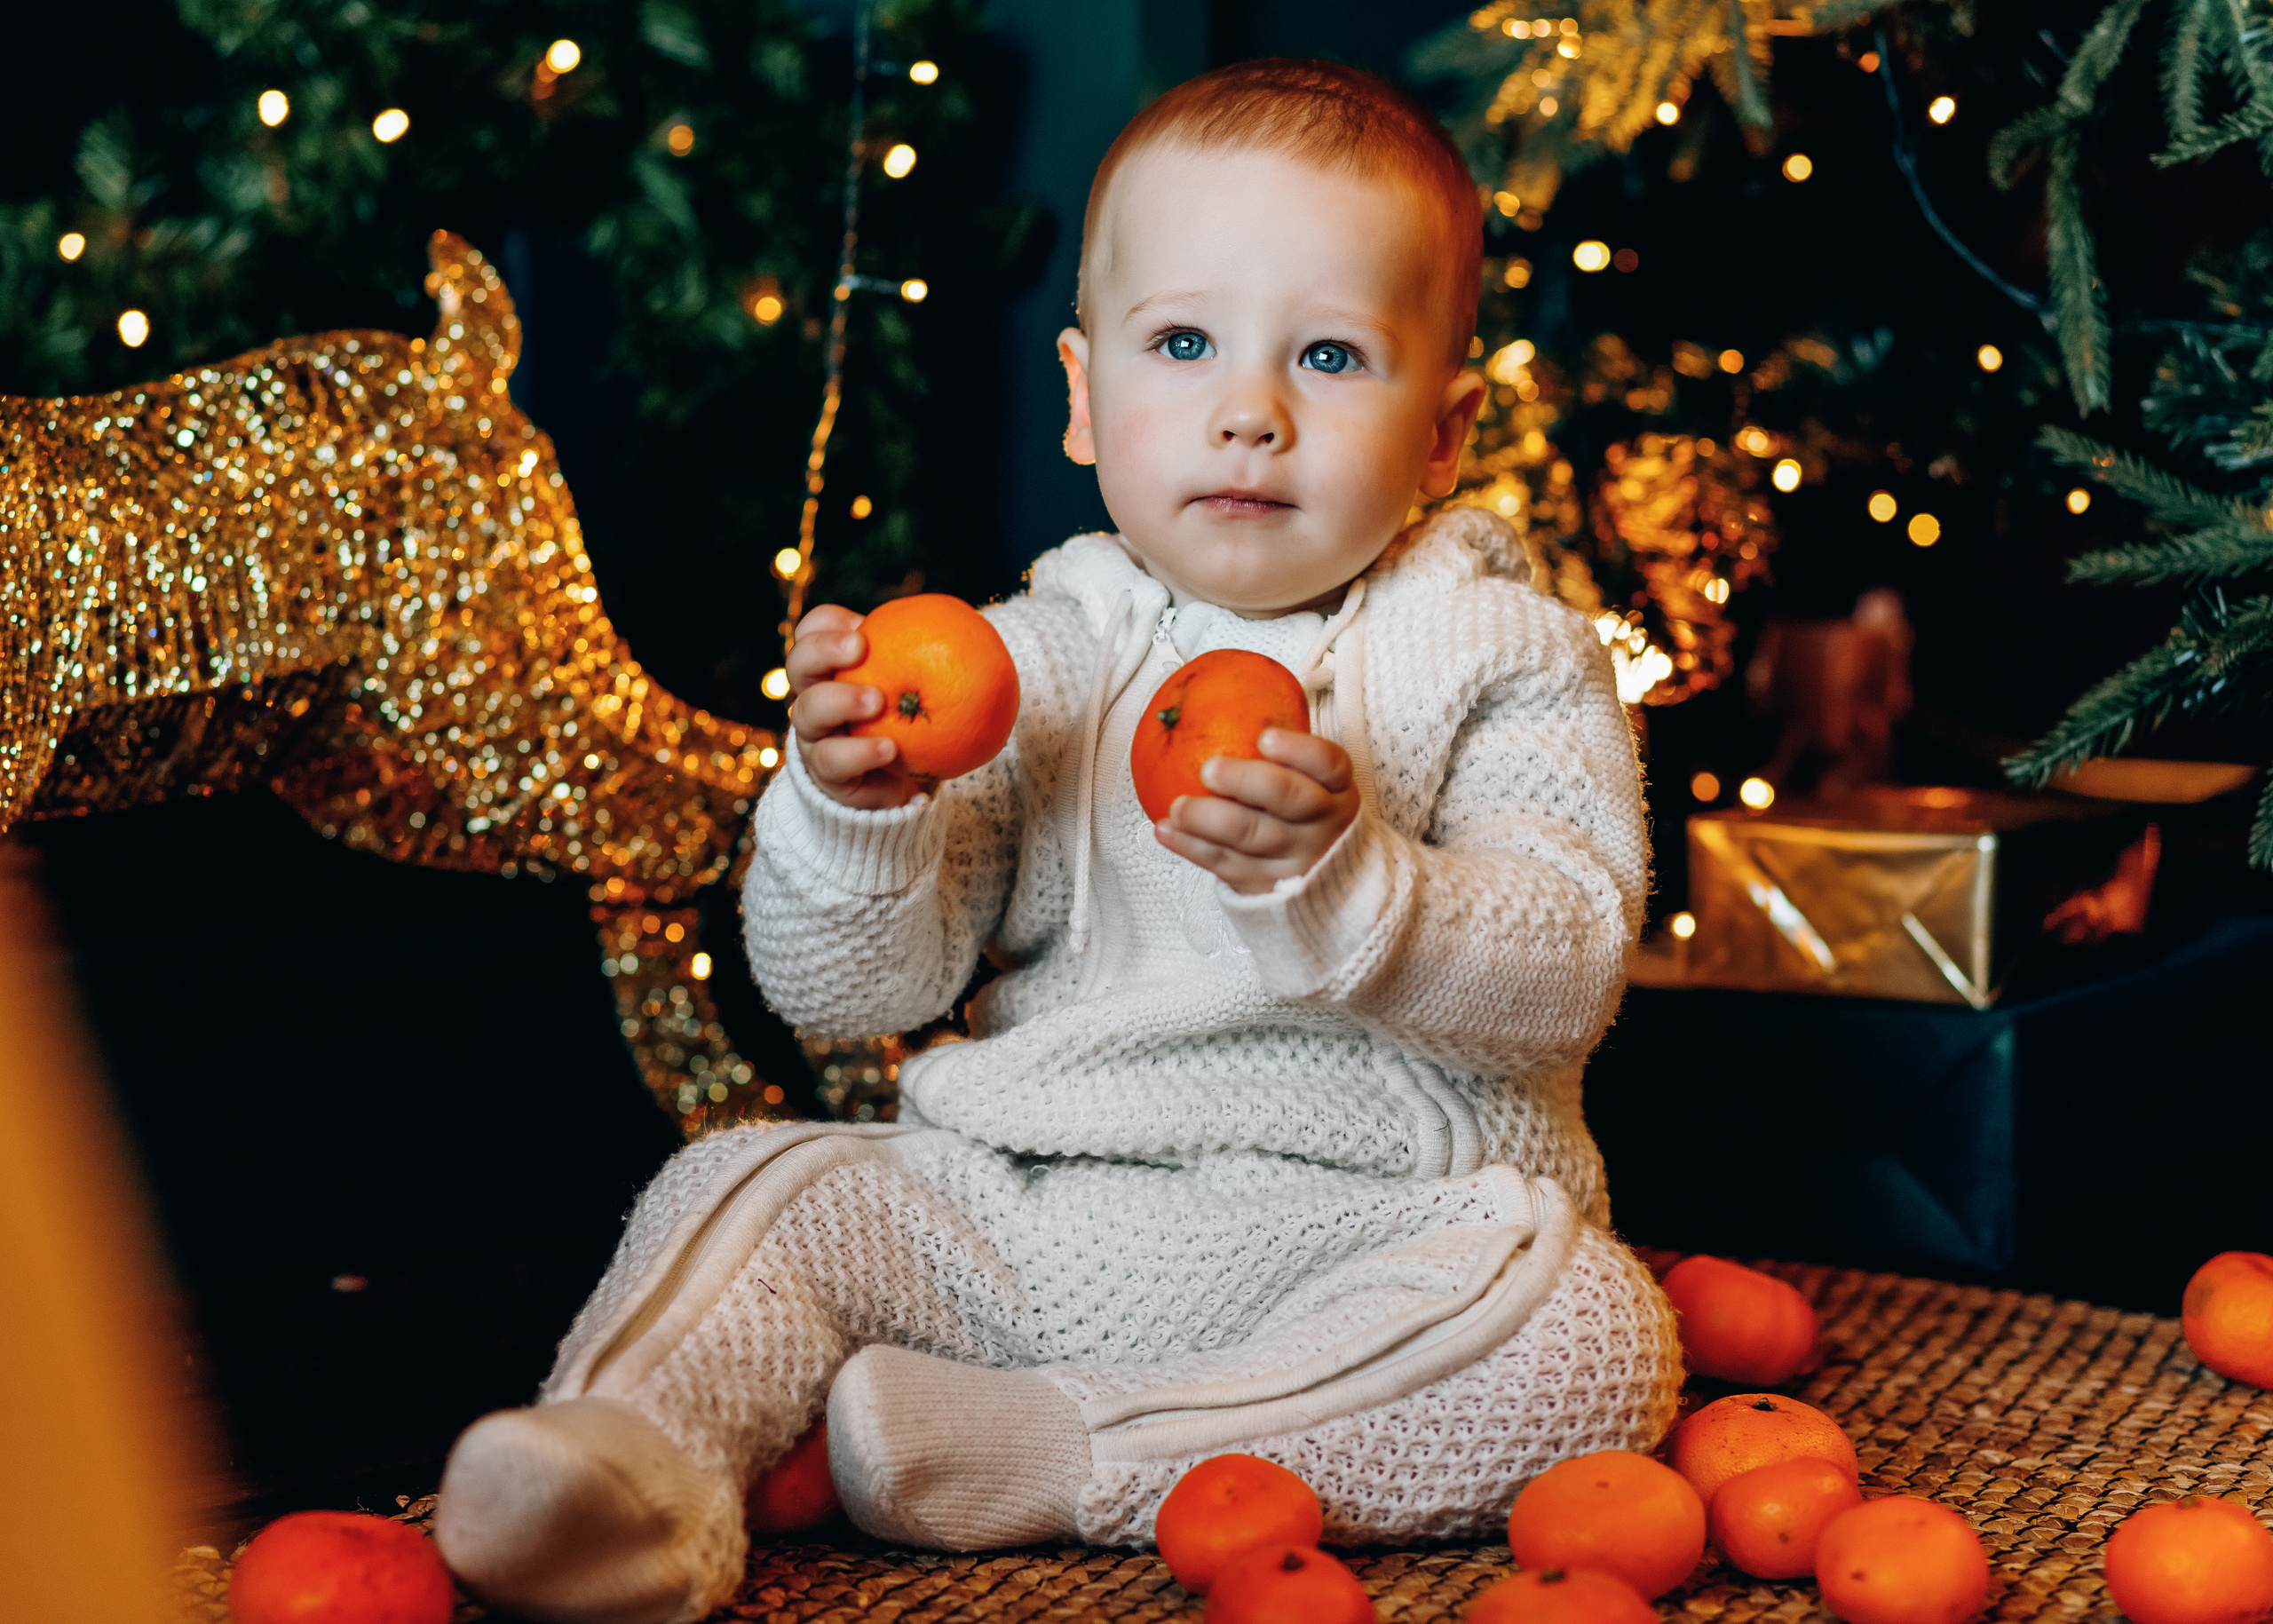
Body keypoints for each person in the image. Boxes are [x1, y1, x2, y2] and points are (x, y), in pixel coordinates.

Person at [433, 58, 1680, 1624]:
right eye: (1183, 342)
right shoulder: (1034, 662)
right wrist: (857, 810)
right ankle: (628, 1459)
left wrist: (1355, 880)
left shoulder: (1508, 654)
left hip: (1360, 1243)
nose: (1251, 408)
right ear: (1086, 400)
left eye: (1332, 354)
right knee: (756, 1180)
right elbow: (845, 985)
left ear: (1446, 430)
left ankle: (1059, 1451)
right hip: (1023, 1217)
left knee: (1587, 1331)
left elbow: (1565, 964)